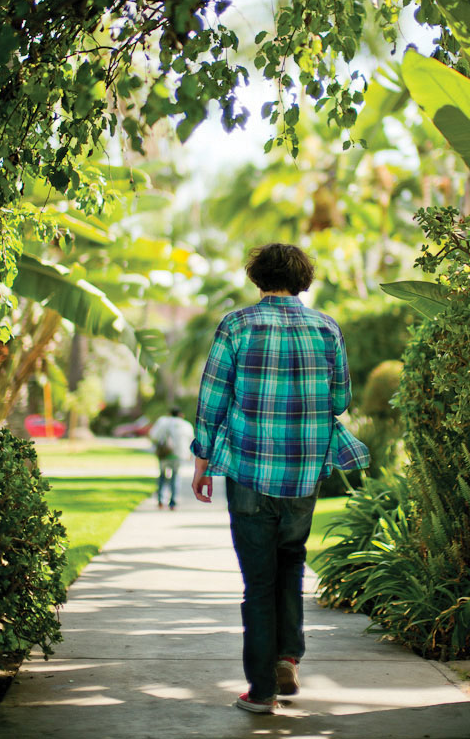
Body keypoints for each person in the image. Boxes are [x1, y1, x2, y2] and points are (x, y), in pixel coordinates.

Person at [191, 242, 370, 713]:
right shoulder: (326, 328)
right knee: (291, 563)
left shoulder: (237, 325)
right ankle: (287, 658)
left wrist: (202, 461)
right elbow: (339, 401)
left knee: (259, 582)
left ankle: (261, 690)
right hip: (304, 475)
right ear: (302, 279)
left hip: (250, 470)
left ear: (258, 277)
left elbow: (213, 399)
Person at [149, 407, 194, 509]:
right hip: (179, 454)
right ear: (181, 415)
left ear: (169, 414)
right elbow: (191, 440)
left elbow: (154, 436)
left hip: (164, 453)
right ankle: (173, 502)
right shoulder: (186, 425)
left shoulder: (163, 422)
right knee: (175, 476)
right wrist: (190, 455)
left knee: (162, 476)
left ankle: (160, 500)